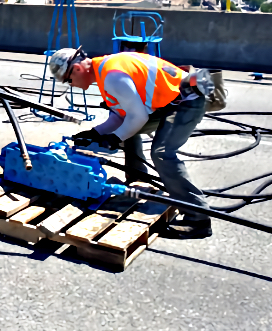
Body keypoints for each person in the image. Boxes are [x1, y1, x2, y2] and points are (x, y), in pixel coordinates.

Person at [47, 47, 217, 239]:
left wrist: (114, 138)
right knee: (128, 133)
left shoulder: (112, 76)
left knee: (162, 153)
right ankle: (139, 182)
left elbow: (138, 117)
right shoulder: (105, 71)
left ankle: (198, 219)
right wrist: (96, 133)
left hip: (187, 99)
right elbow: (122, 116)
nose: (72, 85)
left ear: (77, 68)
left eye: (69, 81)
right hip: (169, 101)